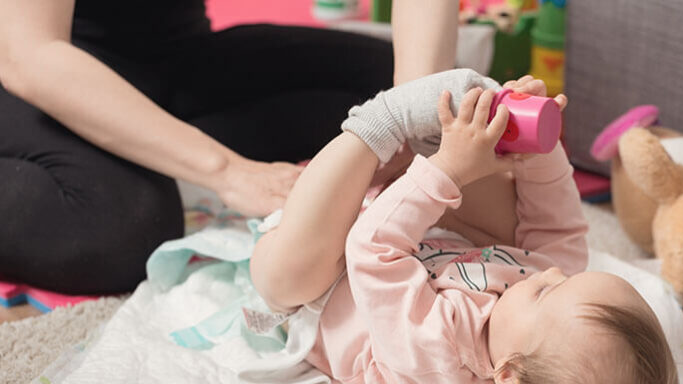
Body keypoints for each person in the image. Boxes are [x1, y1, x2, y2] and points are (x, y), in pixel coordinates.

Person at [250, 69, 682, 384]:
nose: (550, 272)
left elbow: (370, 252)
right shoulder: (532, 329)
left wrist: (448, 171)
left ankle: (383, 120)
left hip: (328, 282)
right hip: (406, 237)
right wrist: (539, 149)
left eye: (546, 292)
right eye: (569, 280)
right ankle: (467, 135)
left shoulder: (438, 354)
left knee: (293, 275)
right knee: (515, 222)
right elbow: (559, 228)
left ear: (508, 375)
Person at [0, 0, 459, 295]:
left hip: (172, 58)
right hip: (33, 63)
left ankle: (150, 143)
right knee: (123, 225)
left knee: (392, 89)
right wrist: (229, 173)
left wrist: (413, 116)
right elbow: (28, 54)